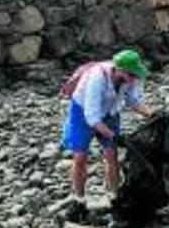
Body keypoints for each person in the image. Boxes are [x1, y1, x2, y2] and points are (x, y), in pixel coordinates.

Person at [61, 50, 154, 202]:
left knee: (112, 153)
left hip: (111, 111)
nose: (133, 79)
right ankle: (79, 198)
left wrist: (154, 115)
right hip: (82, 110)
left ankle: (114, 195)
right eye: (130, 75)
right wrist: (113, 135)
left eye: (135, 75)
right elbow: (92, 117)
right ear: (119, 69)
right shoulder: (97, 78)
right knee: (80, 157)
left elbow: (134, 101)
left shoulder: (132, 78)